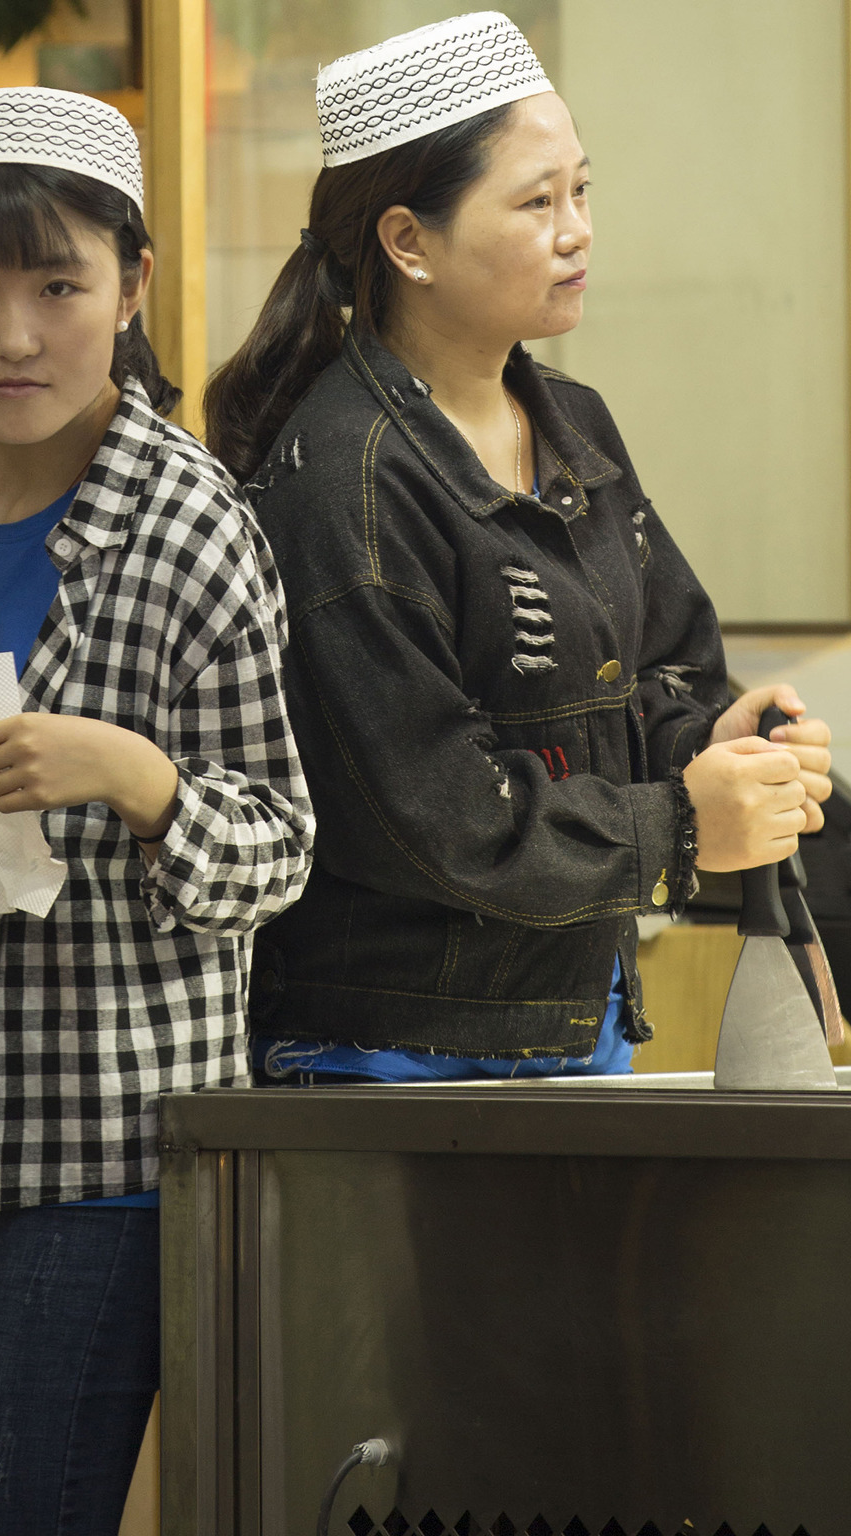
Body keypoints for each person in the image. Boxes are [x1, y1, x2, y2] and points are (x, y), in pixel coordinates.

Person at [0, 87, 312, 1535]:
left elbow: (279, 845)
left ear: (133, 284)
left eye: (58, 287)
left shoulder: (192, 523)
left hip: (95, 1144)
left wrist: (137, 777)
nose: (14, 336)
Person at [203, 12, 832, 1084]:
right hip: (388, 1058)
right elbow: (437, 813)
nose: (576, 230)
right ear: (408, 243)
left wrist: (707, 741)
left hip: (571, 1024)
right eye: (537, 203)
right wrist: (683, 827)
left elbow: (658, 668)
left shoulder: (573, 423)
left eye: (581, 191)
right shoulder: (345, 481)